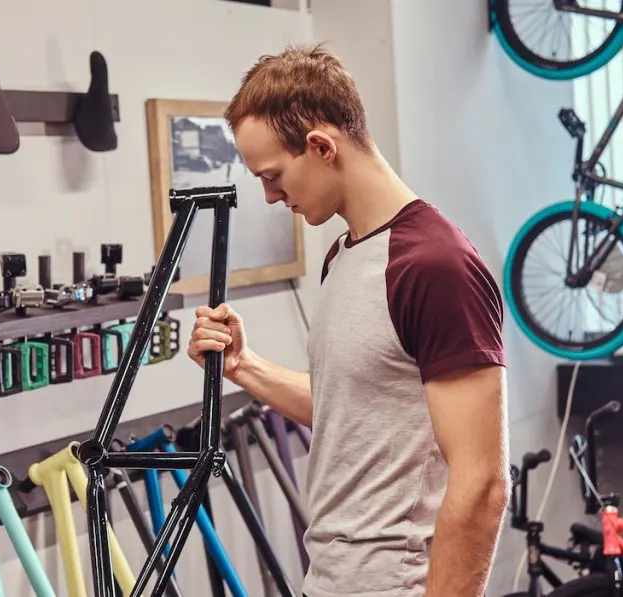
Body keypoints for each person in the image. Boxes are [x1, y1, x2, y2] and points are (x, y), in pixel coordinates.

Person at [186, 43, 510, 597]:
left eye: (273, 176)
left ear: (321, 145)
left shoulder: (434, 266)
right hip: (331, 580)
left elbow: (482, 484)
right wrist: (245, 367)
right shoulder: (346, 254)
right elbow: (354, 410)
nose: (268, 197)